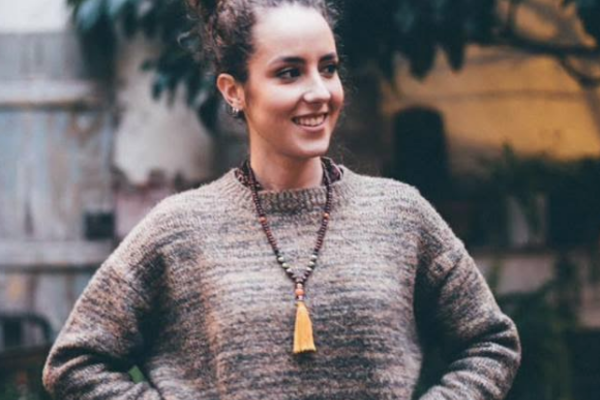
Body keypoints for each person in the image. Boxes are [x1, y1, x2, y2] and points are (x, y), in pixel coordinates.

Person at [42, 0, 521, 399]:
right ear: (234, 91)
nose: (319, 92)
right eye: (289, 73)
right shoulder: (179, 229)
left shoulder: (400, 214)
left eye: (328, 68)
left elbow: (490, 341)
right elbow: (75, 362)